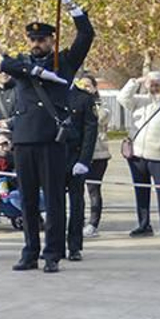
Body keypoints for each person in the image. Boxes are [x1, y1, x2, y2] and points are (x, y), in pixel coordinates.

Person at [0, 0, 94, 272]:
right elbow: (4, 64)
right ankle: (30, 251)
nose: (36, 43)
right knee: (27, 200)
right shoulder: (23, 63)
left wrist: (72, 7)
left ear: (52, 40)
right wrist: (37, 71)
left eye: (42, 39)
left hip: (52, 139)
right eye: (33, 39)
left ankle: (52, 253)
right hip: (25, 139)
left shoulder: (64, 62)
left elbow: (86, 36)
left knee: (53, 201)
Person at [119, 70, 160, 238]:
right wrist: (136, 81)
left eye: (158, 85)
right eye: (151, 84)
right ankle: (144, 224)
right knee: (141, 190)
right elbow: (122, 98)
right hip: (137, 155)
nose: (154, 88)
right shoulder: (140, 101)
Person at [60, 78, 100, 261]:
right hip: (53, 158)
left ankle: (74, 246)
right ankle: (55, 245)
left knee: (76, 204)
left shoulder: (84, 98)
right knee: (54, 205)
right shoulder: (47, 94)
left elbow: (90, 132)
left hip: (75, 157)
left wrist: (84, 160)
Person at [75, 75, 111, 238]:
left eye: (88, 85)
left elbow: (100, 119)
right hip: (78, 153)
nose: (85, 88)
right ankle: (78, 220)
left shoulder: (101, 106)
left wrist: (89, 101)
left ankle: (93, 223)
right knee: (77, 189)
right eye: (81, 85)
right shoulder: (75, 102)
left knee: (93, 189)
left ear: (95, 88)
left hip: (98, 154)